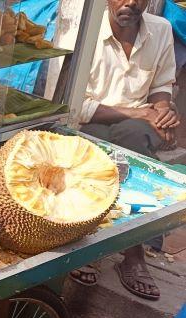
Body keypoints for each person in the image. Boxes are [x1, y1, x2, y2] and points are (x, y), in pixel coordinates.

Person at [72, 0, 180, 300]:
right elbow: (76, 107)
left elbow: (161, 86)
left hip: (135, 125)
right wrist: (139, 114)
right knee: (119, 147)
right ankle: (132, 254)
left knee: (133, 139)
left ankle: (100, 248)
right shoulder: (84, 30)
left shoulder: (160, 29)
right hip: (91, 121)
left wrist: (162, 113)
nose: (130, 1)